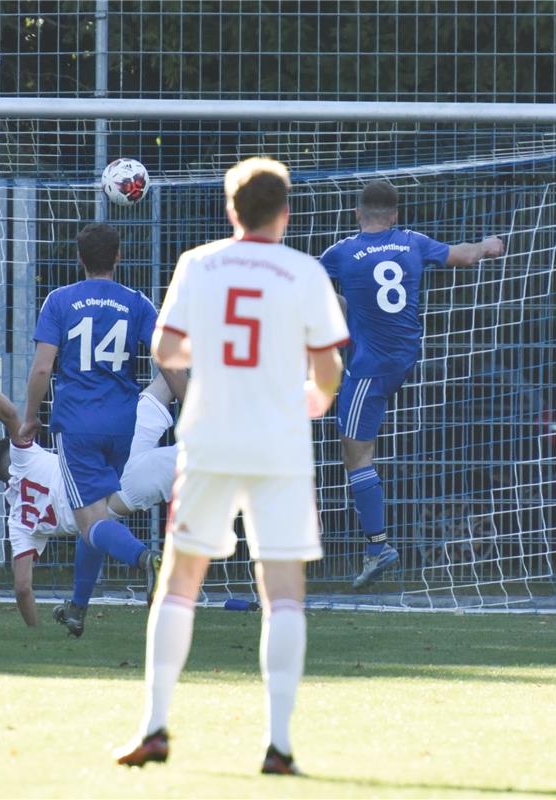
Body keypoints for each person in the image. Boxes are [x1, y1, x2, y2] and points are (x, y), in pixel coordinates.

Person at [114, 157, 348, 775]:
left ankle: (155, 726)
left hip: (210, 439)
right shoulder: (303, 271)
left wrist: (217, 351)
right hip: (279, 445)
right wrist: (313, 397)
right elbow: (326, 371)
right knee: (283, 593)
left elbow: (166, 350)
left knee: (181, 582)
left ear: (230, 211)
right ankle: (279, 743)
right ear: (286, 213)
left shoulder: (199, 263)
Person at [320, 180, 504, 589]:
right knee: (360, 448)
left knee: (355, 453)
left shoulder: (342, 253)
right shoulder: (412, 242)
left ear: (357, 214)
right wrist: (488, 244)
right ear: (395, 214)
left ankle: (378, 547)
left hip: (370, 367)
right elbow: (464, 256)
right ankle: (377, 546)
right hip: (404, 355)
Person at [18, 223, 178, 637]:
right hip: (123, 424)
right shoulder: (137, 302)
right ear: (119, 257)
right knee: (98, 514)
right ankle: (77, 607)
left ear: (79, 258)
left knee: (91, 521)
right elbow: (169, 363)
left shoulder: (60, 301)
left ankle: (148, 560)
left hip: (78, 424)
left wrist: (30, 415)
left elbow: (41, 367)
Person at [0, 361, 184, 627]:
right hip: (111, 459)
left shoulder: (18, 522)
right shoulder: (24, 457)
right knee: (165, 386)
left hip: (117, 492)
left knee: (93, 529)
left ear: (2, 482)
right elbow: (9, 413)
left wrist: (34, 629)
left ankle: (140, 565)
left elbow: (23, 587)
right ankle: (205, 354)